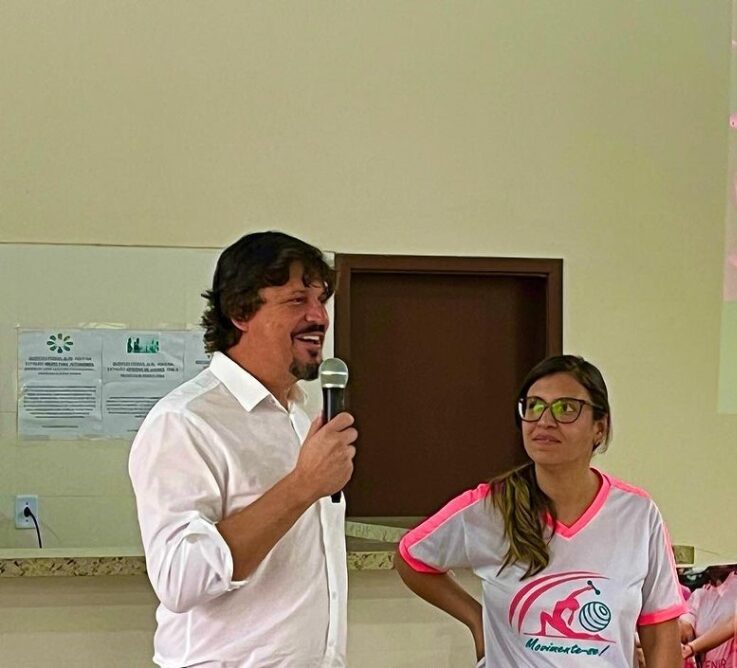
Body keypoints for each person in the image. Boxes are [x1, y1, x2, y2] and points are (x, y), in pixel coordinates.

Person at [128, 231, 358, 667]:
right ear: (239, 312)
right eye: (297, 300)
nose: (319, 317)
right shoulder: (185, 421)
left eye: (321, 300)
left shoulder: (299, 417)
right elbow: (179, 580)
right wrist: (300, 487)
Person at [396, 355, 685, 667]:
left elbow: (661, 631)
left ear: (599, 428)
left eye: (565, 409)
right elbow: (411, 557)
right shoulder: (490, 507)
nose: (544, 421)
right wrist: (477, 620)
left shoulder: (637, 514)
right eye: (534, 406)